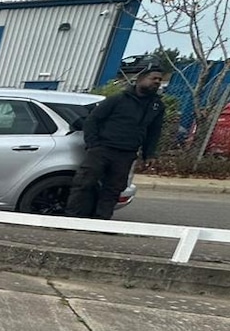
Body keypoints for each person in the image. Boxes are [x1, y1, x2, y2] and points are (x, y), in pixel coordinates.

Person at [65, 66, 166, 219]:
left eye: (160, 79)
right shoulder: (118, 100)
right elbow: (93, 120)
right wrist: (93, 145)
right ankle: (72, 217)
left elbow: (154, 131)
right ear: (140, 80)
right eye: (154, 78)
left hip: (127, 153)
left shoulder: (157, 106)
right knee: (84, 183)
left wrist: (149, 154)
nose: (157, 82)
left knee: (113, 189)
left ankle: (102, 220)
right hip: (102, 149)